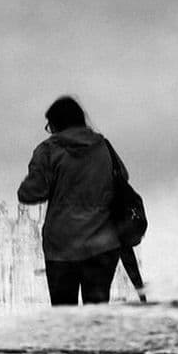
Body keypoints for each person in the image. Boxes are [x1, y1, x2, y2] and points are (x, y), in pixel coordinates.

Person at [18, 96, 128, 305]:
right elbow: (122, 178)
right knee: (95, 318)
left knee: (65, 318)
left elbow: (29, 193)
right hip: (102, 246)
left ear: (56, 123)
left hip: (62, 248)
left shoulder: (48, 151)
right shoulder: (103, 146)